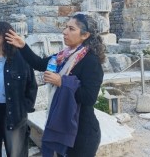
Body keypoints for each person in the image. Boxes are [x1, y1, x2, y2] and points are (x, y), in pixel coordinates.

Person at [6, 13, 106, 157]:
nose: (65, 32)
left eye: (71, 29)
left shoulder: (91, 62)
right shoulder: (64, 56)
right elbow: (39, 64)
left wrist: (61, 82)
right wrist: (22, 46)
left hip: (82, 134)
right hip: (64, 127)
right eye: (65, 27)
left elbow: (89, 98)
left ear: (85, 35)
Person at [0, 21, 37, 157]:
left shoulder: (21, 59)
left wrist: (24, 107)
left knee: (15, 152)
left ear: (6, 36)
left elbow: (32, 85)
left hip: (14, 112)